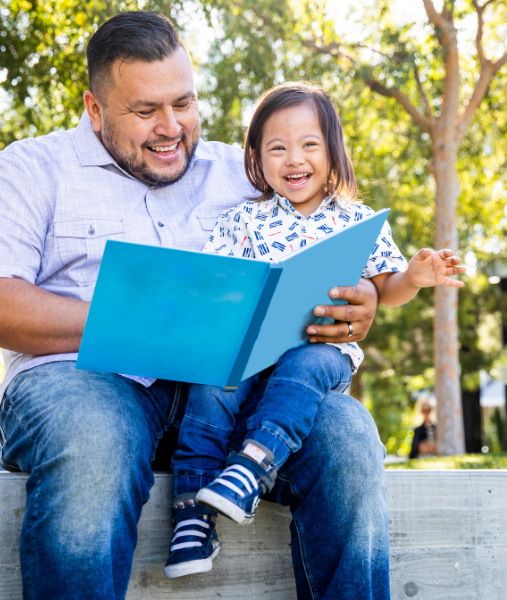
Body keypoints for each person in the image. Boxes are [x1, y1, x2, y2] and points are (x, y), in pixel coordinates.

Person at [0, 11, 397, 600]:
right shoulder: (31, 168)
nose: (171, 128)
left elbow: (324, 254)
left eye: (183, 103)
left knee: (347, 433)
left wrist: (359, 299)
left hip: (231, 396)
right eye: (145, 112)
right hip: (84, 382)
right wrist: (142, 323)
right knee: (95, 437)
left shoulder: (248, 177)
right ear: (94, 108)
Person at [165, 82, 466, 578]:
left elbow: (383, 289)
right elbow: (212, 284)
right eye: (277, 148)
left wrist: (414, 277)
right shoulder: (242, 220)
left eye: (309, 145)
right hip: (250, 350)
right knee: (211, 382)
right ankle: (191, 515)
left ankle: (253, 466)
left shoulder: (357, 221)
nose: (293, 158)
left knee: (306, 362)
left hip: (320, 348)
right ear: (257, 160)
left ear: (332, 152)